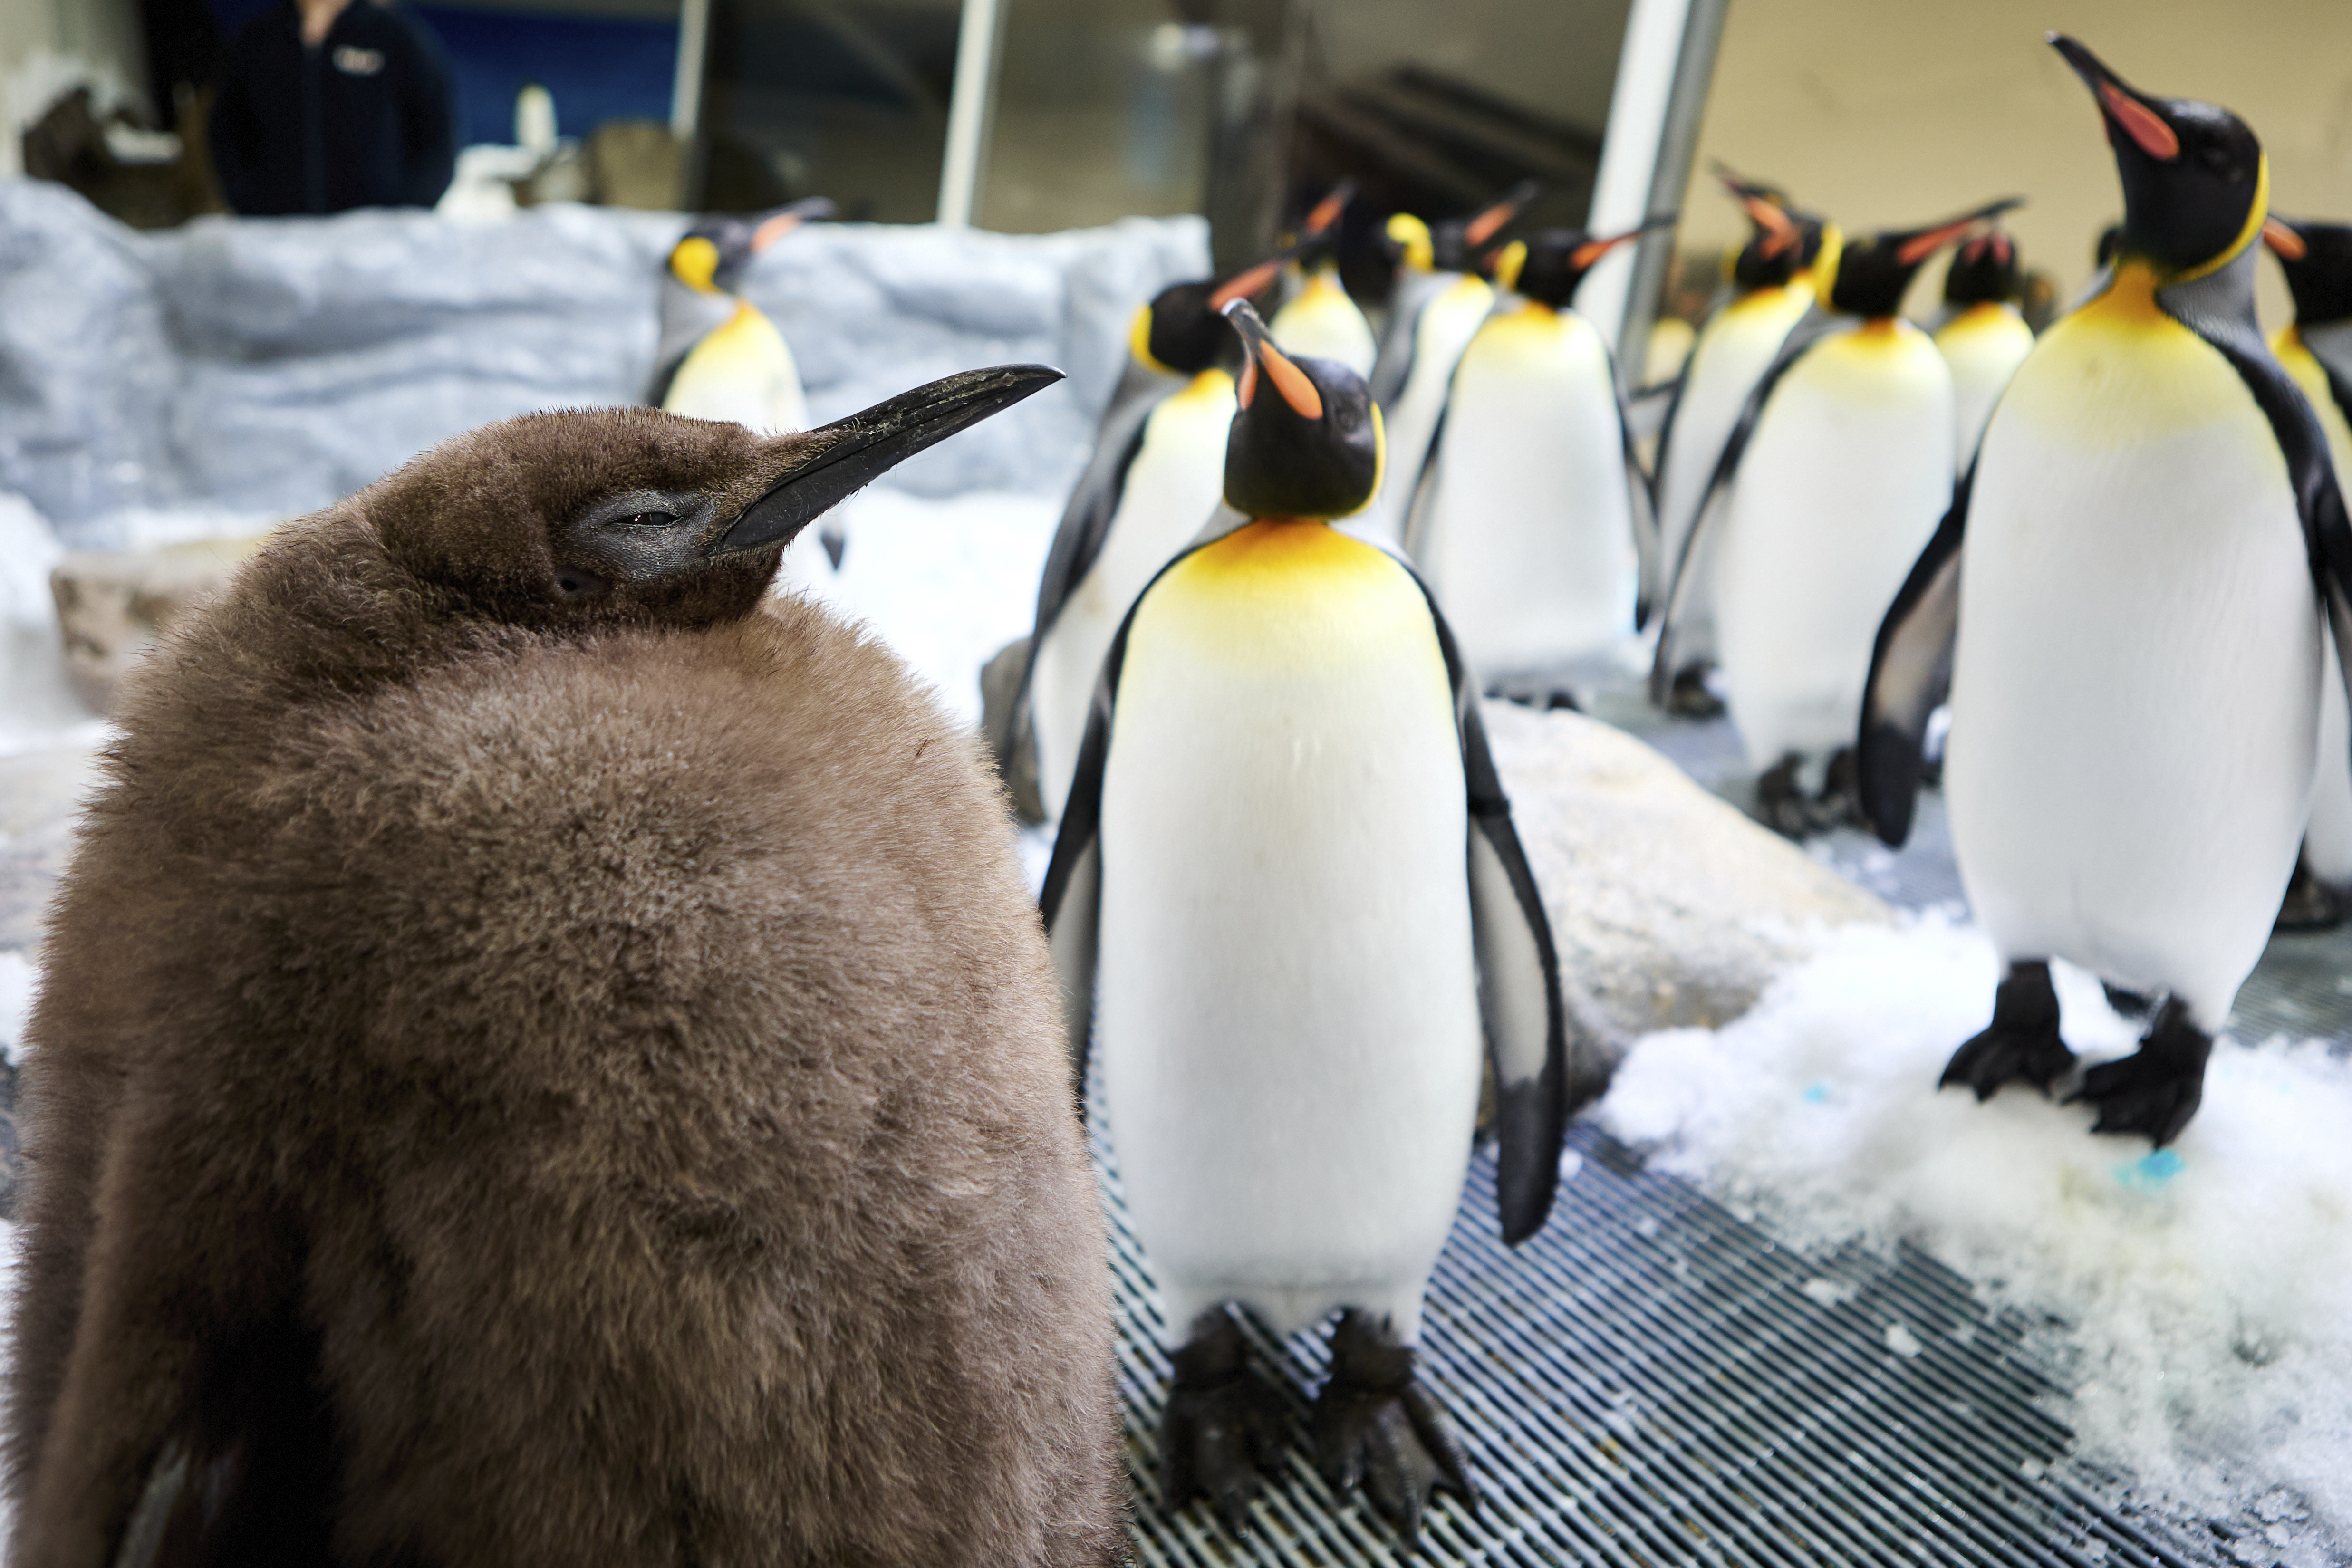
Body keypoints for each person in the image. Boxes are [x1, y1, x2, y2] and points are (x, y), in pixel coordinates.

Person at [210, 0, 455, 215]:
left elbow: (439, 132)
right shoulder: (259, 40)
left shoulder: (393, 36)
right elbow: (226, 130)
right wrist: (249, 200)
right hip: (280, 237)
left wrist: (409, 211)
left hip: (373, 241)